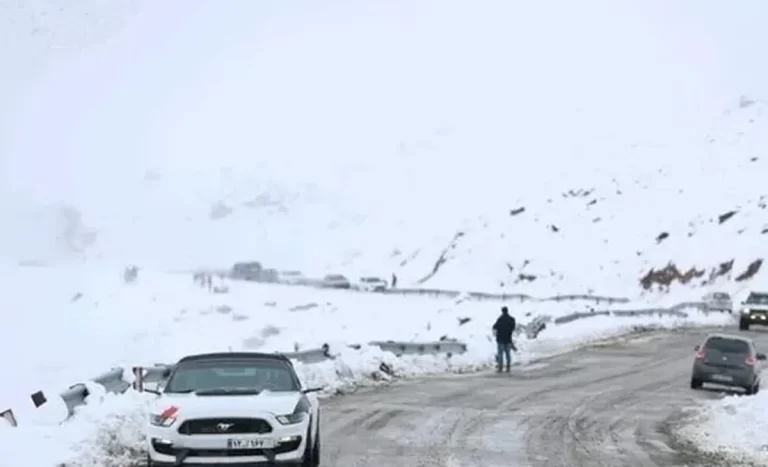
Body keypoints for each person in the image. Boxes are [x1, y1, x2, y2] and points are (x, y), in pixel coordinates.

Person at [492, 306, 516, 372]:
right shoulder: (511, 319)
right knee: (508, 355)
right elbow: (513, 328)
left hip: (500, 339)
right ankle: (508, 367)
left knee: (500, 355)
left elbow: (494, 327)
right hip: (508, 339)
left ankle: (500, 368)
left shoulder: (500, 319)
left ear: (502, 311)